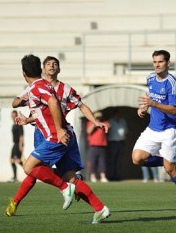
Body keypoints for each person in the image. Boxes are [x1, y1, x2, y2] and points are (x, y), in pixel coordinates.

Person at [6, 55, 111, 224]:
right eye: (49, 64)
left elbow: (55, 104)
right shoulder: (41, 87)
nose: (52, 66)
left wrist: (63, 129)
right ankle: (100, 208)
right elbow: (23, 105)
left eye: (55, 64)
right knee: (68, 176)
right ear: (42, 69)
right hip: (57, 133)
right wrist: (25, 114)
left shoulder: (45, 88)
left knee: (30, 168)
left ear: (24, 73)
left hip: (56, 134)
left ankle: (63, 189)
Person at [132, 50, 176, 208]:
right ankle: (167, 163)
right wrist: (144, 108)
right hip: (153, 128)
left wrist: (154, 104)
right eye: (154, 62)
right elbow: (151, 100)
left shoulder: (172, 83)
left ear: (168, 63)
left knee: (170, 170)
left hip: (170, 129)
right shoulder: (150, 78)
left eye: (160, 62)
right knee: (137, 158)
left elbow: (174, 110)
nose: (157, 65)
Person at [86, 111, 109, 183]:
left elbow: (108, 128)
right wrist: (95, 124)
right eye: (97, 117)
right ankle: (93, 176)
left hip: (102, 145)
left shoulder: (104, 122)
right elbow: (88, 131)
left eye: (99, 117)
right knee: (92, 162)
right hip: (93, 146)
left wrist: (100, 123)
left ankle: (103, 176)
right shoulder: (90, 123)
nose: (98, 118)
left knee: (102, 162)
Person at [107, 108, 128, 181]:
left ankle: (117, 176)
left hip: (121, 142)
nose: (117, 115)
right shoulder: (110, 121)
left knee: (119, 161)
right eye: (116, 114)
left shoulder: (123, 121)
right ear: (114, 114)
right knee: (112, 160)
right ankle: (111, 176)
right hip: (112, 142)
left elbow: (126, 132)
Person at [8, 110, 24, 183]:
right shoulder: (13, 125)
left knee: (18, 160)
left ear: (16, 116)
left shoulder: (18, 124)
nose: (13, 117)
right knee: (12, 160)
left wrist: (21, 145)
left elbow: (21, 136)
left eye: (14, 116)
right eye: (12, 116)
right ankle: (15, 178)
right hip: (14, 144)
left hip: (18, 144)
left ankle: (30, 170)